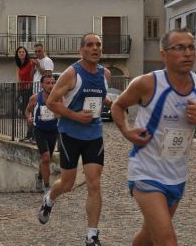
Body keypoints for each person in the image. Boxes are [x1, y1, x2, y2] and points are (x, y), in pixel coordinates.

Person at [111, 28, 196, 246]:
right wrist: (126, 131)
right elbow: (118, 105)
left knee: (148, 237)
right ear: (164, 54)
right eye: (179, 48)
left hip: (177, 174)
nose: (187, 53)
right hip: (146, 170)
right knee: (167, 241)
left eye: (191, 47)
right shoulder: (147, 83)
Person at [38, 33, 112, 246]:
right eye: (90, 45)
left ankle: (92, 235)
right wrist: (76, 116)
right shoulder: (72, 73)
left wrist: (113, 104)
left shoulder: (105, 74)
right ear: (82, 50)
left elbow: (102, 96)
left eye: (98, 44)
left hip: (94, 135)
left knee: (94, 183)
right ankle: (49, 198)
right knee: (68, 183)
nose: (95, 48)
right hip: (70, 134)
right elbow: (52, 102)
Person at [25, 74, 57, 193]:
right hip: (39, 130)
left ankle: (39, 176)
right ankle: (47, 187)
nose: (51, 85)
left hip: (53, 130)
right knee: (46, 157)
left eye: (53, 83)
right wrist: (29, 118)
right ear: (42, 84)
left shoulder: (58, 97)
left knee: (46, 160)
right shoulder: (35, 98)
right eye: (48, 83)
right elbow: (28, 110)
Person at [15, 46, 35, 141]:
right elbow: (19, 78)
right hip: (22, 91)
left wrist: (29, 86)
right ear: (17, 54)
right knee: (25, 112)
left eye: (23, 52)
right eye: (19, 52)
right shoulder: (20, 65)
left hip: (29, 90)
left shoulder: (30, 62)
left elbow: (32, 75)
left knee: (30, 111)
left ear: (26, 53)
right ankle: (29, 133)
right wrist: (18, 90)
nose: (21, 53)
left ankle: (32, 134)